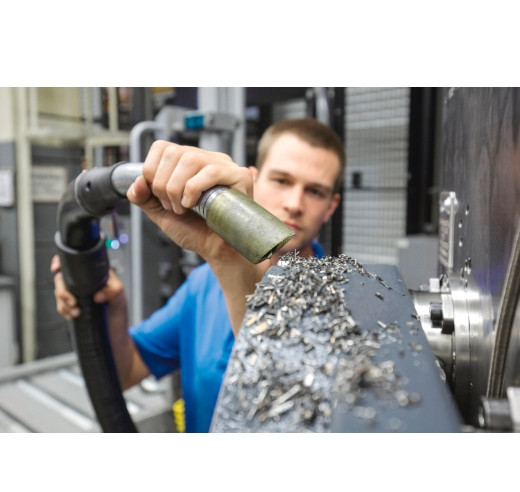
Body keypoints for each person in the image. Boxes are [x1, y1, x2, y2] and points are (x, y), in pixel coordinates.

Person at [51, 118, 346, 432]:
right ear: (255, 179)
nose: (295, 203)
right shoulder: (204, 283)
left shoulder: (350, 301)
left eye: (315, 191)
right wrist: (112, 309)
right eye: (282, 181)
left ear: (331, 207)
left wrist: (231, 262)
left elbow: (299, 416)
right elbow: (125, 373)